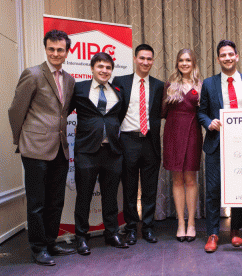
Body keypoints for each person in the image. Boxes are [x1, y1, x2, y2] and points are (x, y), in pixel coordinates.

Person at [8, 29, 76, 266]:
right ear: (46, 49)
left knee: (56, 200)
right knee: (37, 202)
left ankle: (50, 242)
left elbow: (63, 112)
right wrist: (22, 140)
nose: (56, 53)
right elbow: (16, 110)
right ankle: (37, 248)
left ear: (67, 52)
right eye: (51, 49)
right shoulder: (33, 74)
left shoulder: (69, 79)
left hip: (60, 148)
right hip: (35, 148)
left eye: (60, 49)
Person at [198, 40, 242, 253]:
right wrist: (208, 122)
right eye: (223, 55)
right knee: (213, 190)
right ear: (218, 59)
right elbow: (201, 111)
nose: (227, 58)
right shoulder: (209, 83)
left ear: (237, 56)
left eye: (231, 54)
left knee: (239, 190)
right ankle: (213, 233)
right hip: (216, 144)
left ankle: (235, 230)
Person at [71, 52, 128, 255]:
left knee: (111, 196)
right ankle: (81, 237)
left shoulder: (117, 91)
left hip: (112, 151)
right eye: (100, 67)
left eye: (108, 68)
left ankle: (111, 233)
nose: (104, 71)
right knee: (84, 196)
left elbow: (116, 118)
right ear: (92, 68)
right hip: (87, 151)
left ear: (112, 71)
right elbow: (66, 110)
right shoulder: (79, 88)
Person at [113, 44, 164, 245]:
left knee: (150, 188)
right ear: (135, 59)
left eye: (149, 59)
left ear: (153, 61)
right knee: (130, 188)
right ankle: (131, 228)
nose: (145, 62)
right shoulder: (120, 82)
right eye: (142, 58)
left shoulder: (159, 85)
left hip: (150, 141)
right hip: (128, 140)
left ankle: (149, 227)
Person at [162, 48, 203, 242]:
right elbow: (161, 112)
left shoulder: (202, 85)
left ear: (193, 62)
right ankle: (180, 223)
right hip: (173, 134)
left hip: (193, 133)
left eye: (188, 60)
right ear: (177, 63)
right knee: (177, 180)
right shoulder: (169, 85)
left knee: (191, 180)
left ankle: (192, 223)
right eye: (181, 60)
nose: (184, 63)